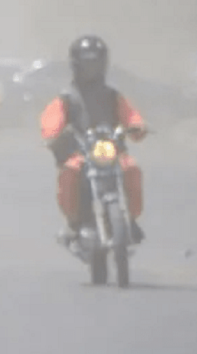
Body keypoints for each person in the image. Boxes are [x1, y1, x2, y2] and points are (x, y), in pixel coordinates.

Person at [40, 35, 148, 244]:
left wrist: (137, 126)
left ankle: (131, 220)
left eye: (96, 63)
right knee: (70, 172)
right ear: (77, 66)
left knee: (132, 170)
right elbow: (52, 120)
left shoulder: (113, 96)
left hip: (113, 152)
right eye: (87, 64)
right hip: (80, 153)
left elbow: (131, 116)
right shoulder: (66, 97)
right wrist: (53, 134)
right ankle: (73, 222)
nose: (92, 69)